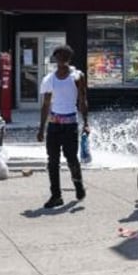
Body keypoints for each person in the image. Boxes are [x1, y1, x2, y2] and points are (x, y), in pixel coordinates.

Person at [37, 45, 89, 209]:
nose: (61, 59)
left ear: (69, 58)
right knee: (52, 161)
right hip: (54, 125)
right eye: (58, 56)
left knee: (72, 159)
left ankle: (78, 186)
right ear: (55, 59)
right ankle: (56, 195)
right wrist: (41, 128)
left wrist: (86, 122)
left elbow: (82, 100)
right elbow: (46, 104)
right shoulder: (49, 79)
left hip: (70, 124)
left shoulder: (77, 76)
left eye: (65, 56)